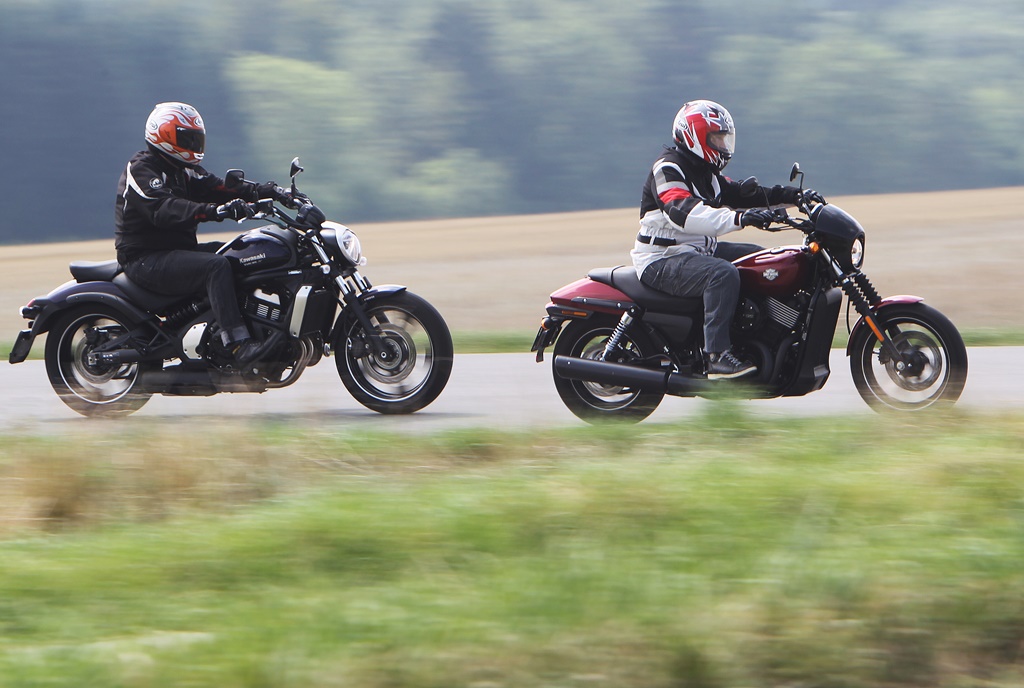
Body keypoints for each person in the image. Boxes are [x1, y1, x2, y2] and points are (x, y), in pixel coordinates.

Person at [630, 99, 819, 379]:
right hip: (662, 259)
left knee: (762, 259)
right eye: (716, 138)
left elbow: (746, 194)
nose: (722, 145)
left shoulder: (707, 174)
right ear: (694, 136)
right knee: (722, 274)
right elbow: (684, 212)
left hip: (696, 252)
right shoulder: (668, 169)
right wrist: (739, 219)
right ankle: (717, 356)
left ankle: (755, 336)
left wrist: (793, 196)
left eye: (723, 138)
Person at [115, 102, 285, 366]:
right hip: (145, 258)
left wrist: (269, 191)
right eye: (187, 138)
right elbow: (163, 208)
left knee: (240, 250)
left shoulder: (184, 170)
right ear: (165, 135)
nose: (194, 144)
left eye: (196, 138)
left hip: (177, 252)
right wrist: (214, 211)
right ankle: (238, 345)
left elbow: (219, 188)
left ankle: (258, 327)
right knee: (215, 267)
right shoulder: (141, 169)